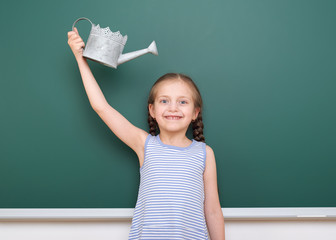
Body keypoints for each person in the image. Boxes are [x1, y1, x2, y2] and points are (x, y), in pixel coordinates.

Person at [68, 27, 225, 240]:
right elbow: (101, 107)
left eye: (182, 102)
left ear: (195, 113)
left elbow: (213, 211)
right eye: (164, 101)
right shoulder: (145, 144)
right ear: (152, 110)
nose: (173, 108)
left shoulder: (205, 153)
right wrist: (80, 59)